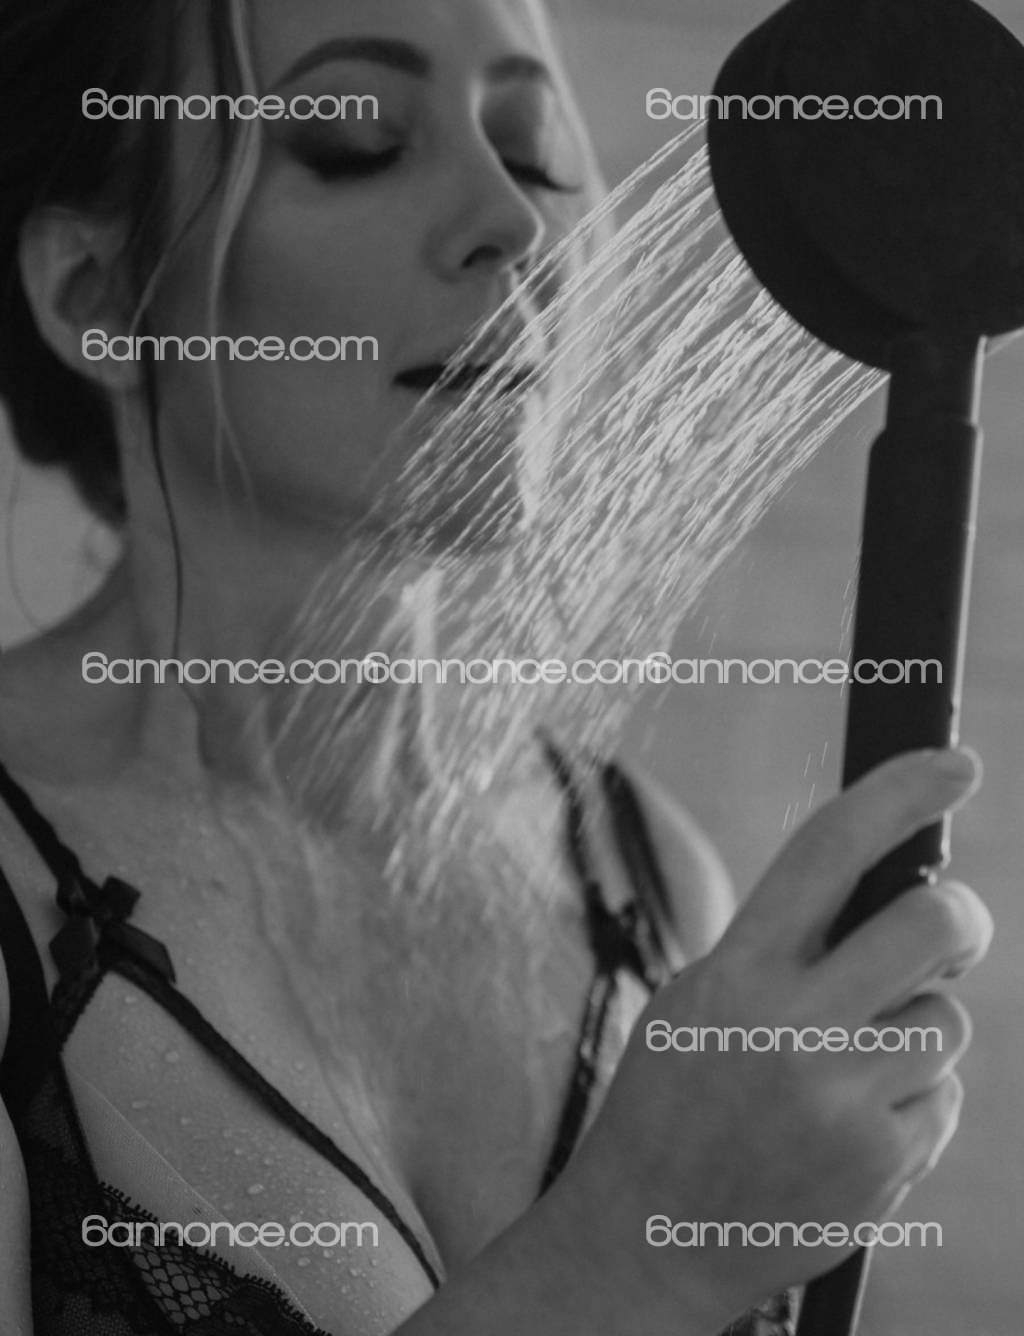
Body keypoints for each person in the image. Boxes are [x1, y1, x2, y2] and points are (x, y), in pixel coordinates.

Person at [0, 1, 993, 1333]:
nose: (511, 222)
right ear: (98, 296)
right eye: (357, 142)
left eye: (532, 153)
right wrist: (630, 1257)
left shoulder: (646, 878)